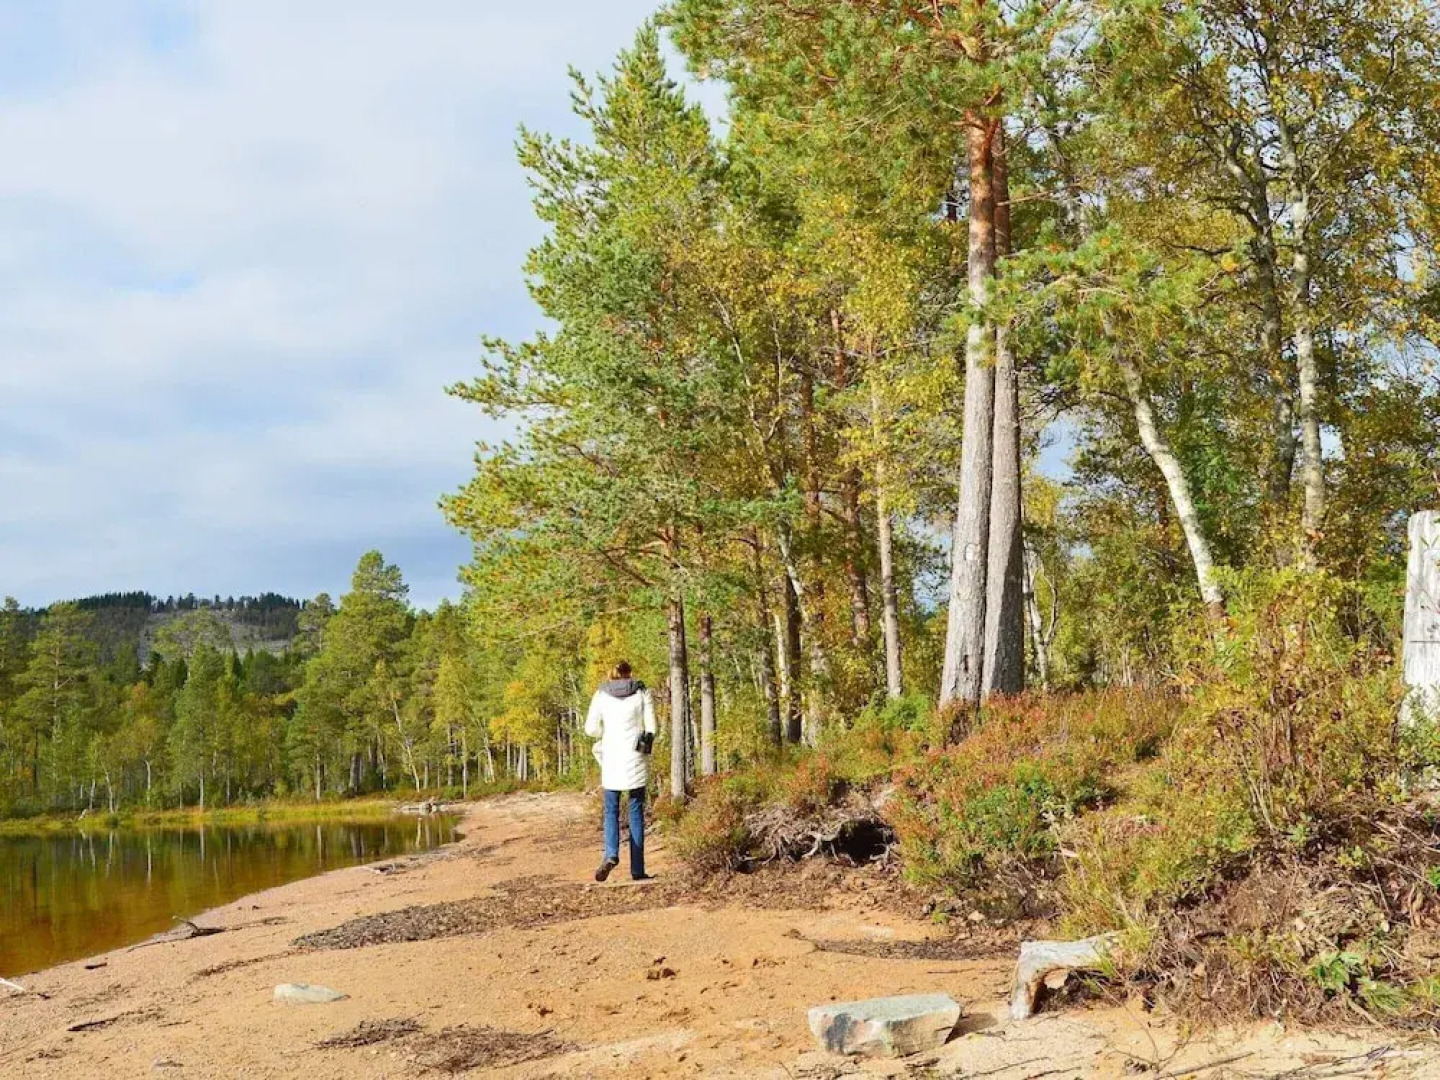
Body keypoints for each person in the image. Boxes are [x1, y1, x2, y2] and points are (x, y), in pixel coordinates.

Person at [584, 660, 657, 882]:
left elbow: (591, 729)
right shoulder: (642, 692)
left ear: (611, 675)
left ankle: (611, 854)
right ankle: (637, 870)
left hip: (612, 758)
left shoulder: (601, 695)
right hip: (635, 757)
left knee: (611, 811)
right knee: (635, 811)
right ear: (630, 673)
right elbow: (652, 728)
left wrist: (606, 731)